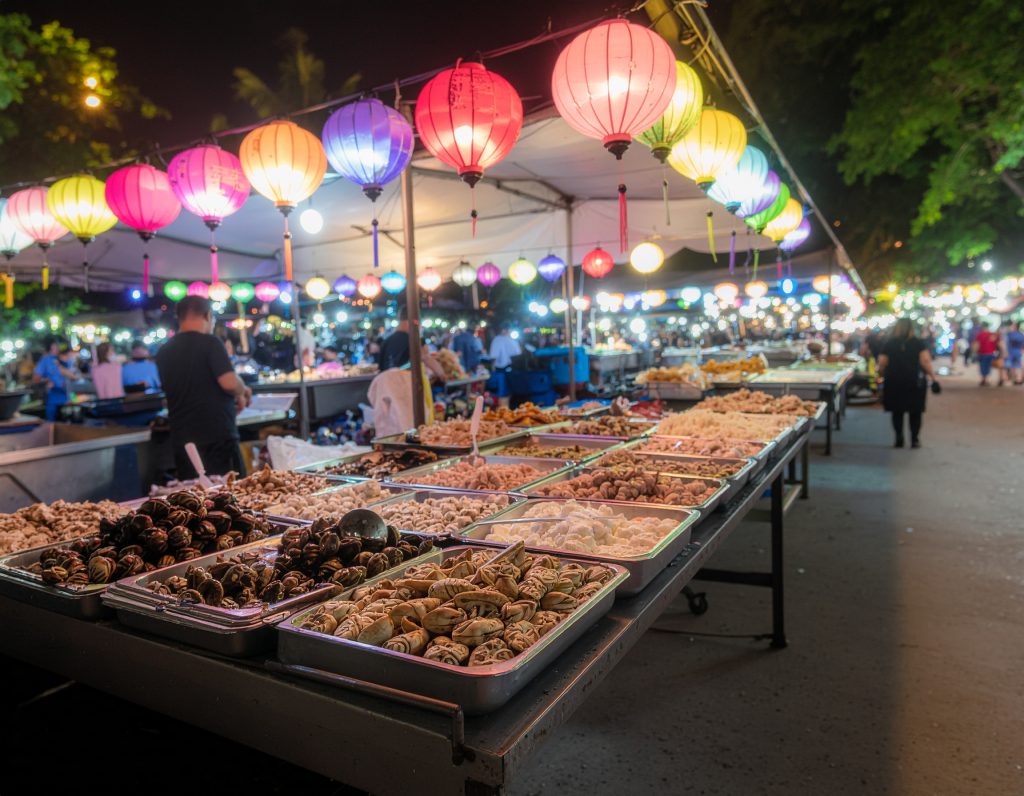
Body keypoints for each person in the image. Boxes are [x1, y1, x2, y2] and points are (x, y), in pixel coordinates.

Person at [156, 296, 252, 478]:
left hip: (183, 441)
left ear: (179, 317)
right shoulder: (210, 343)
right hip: (217, 438)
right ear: (208, 316)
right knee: (231, 496)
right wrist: (243, 390)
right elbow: (229, 383)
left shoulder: (164, 351)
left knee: (194, 498)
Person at [878, 318, 939, 448]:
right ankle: (914, 439)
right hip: (914, 381)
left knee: (897, 411)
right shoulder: (918, 343)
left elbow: (882, 362)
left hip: (894, 381)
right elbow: (925, 362)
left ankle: (899, 438)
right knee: (915, 412)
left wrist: (881, 374)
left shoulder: (889, 343)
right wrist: (933, 378)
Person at [32, 338, 79, 421]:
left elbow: (75, 375)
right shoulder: (46, 360)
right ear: (50, 346)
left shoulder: (64, 358)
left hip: (70, 396)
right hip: (53, 397)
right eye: (55, 345)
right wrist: (47, 380)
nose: (58, 347)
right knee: (53, 423)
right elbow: (36, 378)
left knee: (71, 422)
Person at [488, 324, 522, 408]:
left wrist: (493, 371)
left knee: (503, 396)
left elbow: (493, 357)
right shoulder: (512, 340)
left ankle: (505, 413)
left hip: (503, 372)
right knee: (508, 395)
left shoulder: (497, 340)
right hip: (510, 371)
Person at [972, 322, 1002, 386]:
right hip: (990, 353)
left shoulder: (980, 335)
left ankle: (984, 379)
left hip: (982, 353)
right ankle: (985, 379)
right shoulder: (992, 334)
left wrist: (974, 352)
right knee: (988, 366)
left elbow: (977, 344)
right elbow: (998, 343)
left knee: (982, 366)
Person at [1003, 321, 1024, 385]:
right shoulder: (1021, 334)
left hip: (1011, 352)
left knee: (1012, 366)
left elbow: (1006, 343)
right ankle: (1019, 379)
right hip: (1018, 351)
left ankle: (1014, 378)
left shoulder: (1009, 334)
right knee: (1018, 366)